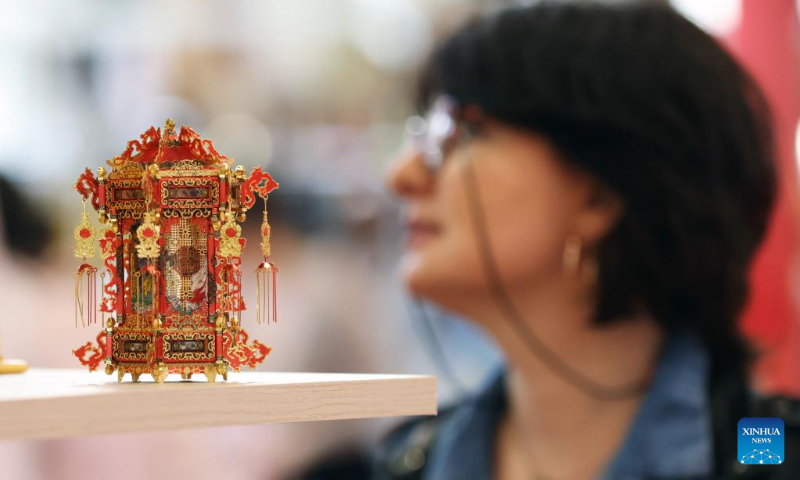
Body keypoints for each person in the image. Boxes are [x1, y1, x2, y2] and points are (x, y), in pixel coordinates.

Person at [371, 1, 800, 479]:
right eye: (422, 133)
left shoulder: (768, 452)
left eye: (460, 131)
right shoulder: (408, 461)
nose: (400, 175)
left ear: (600, 194)